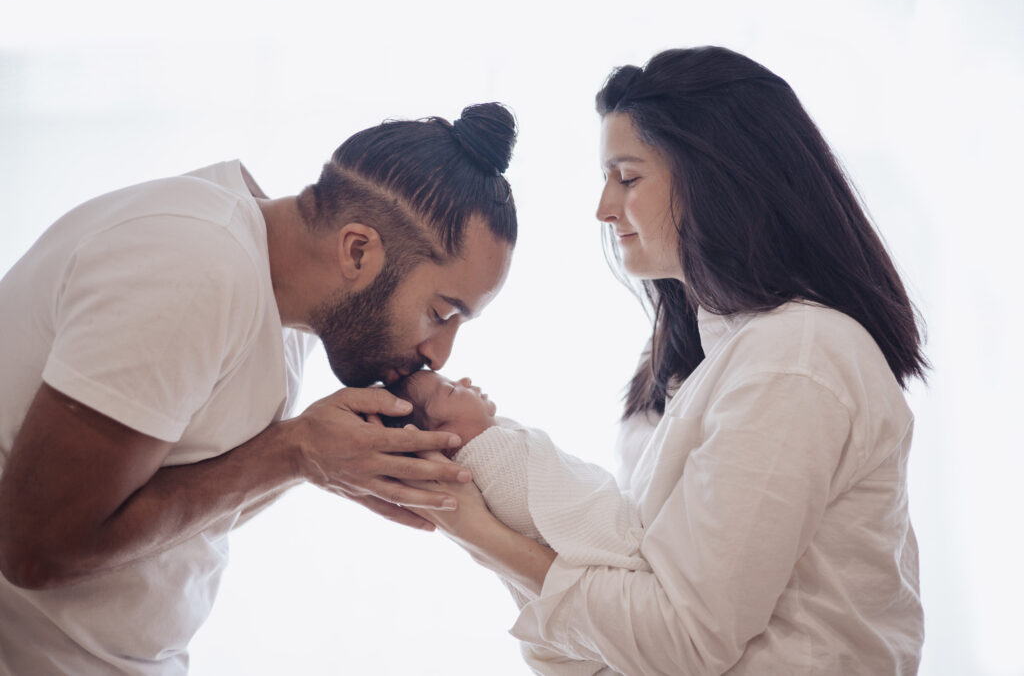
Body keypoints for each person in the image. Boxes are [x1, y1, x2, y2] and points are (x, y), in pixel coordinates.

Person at [406, 47, 928, 675]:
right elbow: (615, 635)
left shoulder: (796, 360)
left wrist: (476, 530)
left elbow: (682, 641)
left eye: (627, 177)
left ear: (720, 177)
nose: (603, 208)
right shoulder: (702, 367)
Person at [0, 102, 518, 674]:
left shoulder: (284, 305)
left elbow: (168, 506)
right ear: (358, 251)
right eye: (441, 312)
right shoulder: (195, 267)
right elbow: (36, 549)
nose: (441, 355)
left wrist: (322, 464)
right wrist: (292, 453)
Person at [389, 370, 650, 674]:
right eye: (450, 391)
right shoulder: (491, 463)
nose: (465, 382)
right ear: (441, 441)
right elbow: (534, 518)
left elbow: (573, 491)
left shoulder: (499, 441)